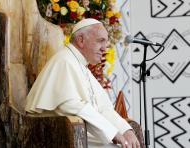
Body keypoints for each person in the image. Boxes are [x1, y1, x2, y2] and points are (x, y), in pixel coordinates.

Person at [25, 18, 140, 148]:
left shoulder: (80, 65)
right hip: (53, 134)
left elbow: (103, 108)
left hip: (76, 132)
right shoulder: (64, 61)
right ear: (81, 40)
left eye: (106, 42)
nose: (104, 48)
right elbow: (71, 105)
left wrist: (126, 130)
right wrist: (113, 133)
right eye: (100, 41)